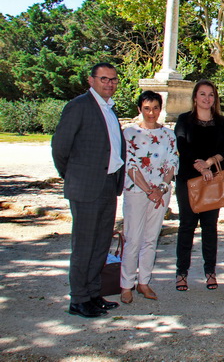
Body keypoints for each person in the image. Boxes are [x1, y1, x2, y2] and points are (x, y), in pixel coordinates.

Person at [52, 62, 125, 318]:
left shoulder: (110, 110)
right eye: (104, 79)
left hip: (108, 185)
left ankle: (94, 293)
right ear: (91, 80)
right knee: (84, 245)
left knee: (100, 244)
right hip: (86, 187)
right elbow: (60, 147)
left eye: (113, 79)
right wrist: (73, 176)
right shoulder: (79, 106)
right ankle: (79, 299)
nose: (110, 83)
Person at [120, 91, 178, 303]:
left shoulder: (168, 135)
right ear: (139, 109)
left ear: (160, 109)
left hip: (160, 192)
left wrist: (160, 188)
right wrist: (148, 190)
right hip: (137, 191)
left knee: (150, 239)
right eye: (147, 108)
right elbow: (130, 164)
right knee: (133, 238)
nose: (151, 112)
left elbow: (172, 163)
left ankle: (144, 282)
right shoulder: (129, 134)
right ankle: (126, 284)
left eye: (155, 108)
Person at [174, 80, 224, 292]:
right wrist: (200, 167)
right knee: (186, 226)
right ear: (195, 97)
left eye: (211, 95)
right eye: (202, 94)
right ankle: (181, 273)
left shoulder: (222, 122)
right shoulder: (183, 120)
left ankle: (210, 272)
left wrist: (208, 164)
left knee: (210, 228)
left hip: (212, 182)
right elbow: (181, 146)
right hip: (187, 181)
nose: (207, 98)